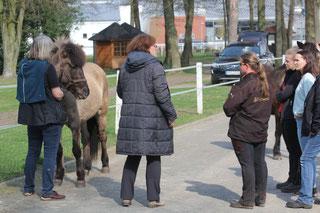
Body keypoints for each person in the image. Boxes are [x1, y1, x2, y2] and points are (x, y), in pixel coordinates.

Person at [116, 34, 177, 208]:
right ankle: (153, 199)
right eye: (154, 45)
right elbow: (162, 95)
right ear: (146, 47)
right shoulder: (154, 67)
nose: (156, 48)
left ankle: (126, 197)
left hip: (131, 117)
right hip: (152, 118)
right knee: (153, 156)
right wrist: (171, 115)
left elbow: (121, 93)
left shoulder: (124, 67)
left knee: (132, 156)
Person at [16, 35, 66, 200]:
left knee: (32, 152)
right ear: (47, 50)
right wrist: (64, 93)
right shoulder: (47, 67)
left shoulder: (23, 65)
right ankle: (46, 191)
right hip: (49, 116)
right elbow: (56, 94)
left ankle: (28, 188)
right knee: (50, 154)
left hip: (31, 116)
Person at [223, 52, 272, 209]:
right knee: (259, 163)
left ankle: (247, 199)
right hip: (260, 129)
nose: (239, 67)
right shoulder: (264, 82)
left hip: (243, 130)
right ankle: (260, 196)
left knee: (248, 165)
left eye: (240, 64)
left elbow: (228, 108)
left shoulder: (244, 85)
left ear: (246, 66)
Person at [286, 50, 320, 209]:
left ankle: (306, 197)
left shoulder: (307, 79)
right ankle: (311, 191)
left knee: (306, 158)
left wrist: (311, 124)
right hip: (306, 122)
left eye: (298, 59)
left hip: (307, 123)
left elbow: (312, 104)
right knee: (309, 158)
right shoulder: (305, 77)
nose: (295, 61)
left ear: (306, 60)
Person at [275, 48, 302, 193]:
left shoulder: (296, 76)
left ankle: (296, 180)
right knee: (291, 150)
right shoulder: (288, 74)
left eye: (288, 61)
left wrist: (279, 93)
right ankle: (291, 178)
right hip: (285, 113)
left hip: (291, 115)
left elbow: (283, 94)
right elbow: (281, 92)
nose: (285, 63)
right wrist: (280, 93)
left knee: (295, 150)